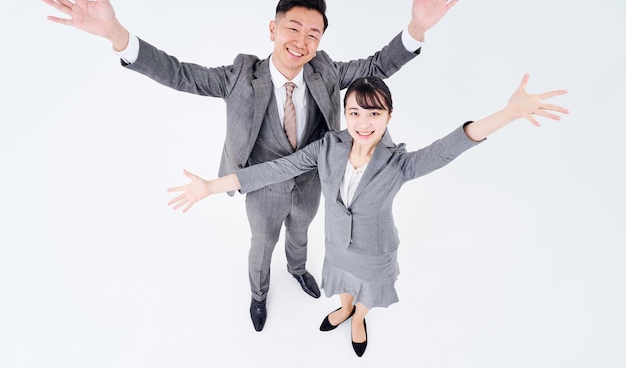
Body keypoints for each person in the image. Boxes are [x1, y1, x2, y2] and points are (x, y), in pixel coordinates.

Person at [40, 0, 465, 332]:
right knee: (262, 244)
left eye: (312, 34)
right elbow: (179, 73)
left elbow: (376, 67)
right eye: (293, 29)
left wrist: (416, 29)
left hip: (313, 182)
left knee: (300, 235)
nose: (301, 41)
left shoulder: (324, 70)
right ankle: (259, 295)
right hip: (261, 187)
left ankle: (298, 271)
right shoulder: (241, 75)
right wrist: (117, 35)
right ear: (273, 30)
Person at [166, 73, 569, 356]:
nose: (363, 122)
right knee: (342, 285)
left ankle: (358, 318)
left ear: (389, 117)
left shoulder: (399, 164)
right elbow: (273, 170)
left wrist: (507, 114)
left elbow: (450, 146)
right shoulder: (327, 147)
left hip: (375, 253)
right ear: (346, 114)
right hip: (338, 246)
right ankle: (343, 308)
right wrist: (211, 186)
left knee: (366, 295)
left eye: (374, 113)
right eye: (355, 112)